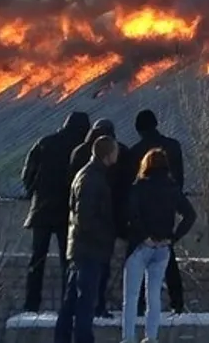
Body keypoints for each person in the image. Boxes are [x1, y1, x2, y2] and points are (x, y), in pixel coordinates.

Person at [120, 148, 197, 343]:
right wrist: (173, 237)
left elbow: (132, 214)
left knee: (131, 295)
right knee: (154, 295)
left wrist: (144, 236)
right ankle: (151, 337)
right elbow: (190, 215)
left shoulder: (139, 186)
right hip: (163, 247)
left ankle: (128, 337)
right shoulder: (172, 187)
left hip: (141, 245)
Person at [22, 110, 91, 311]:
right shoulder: (80, 150)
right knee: (67, 261)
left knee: (37, 260)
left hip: (41, 210)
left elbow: (27, 174)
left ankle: (31, 304)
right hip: (65, 214)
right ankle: (67, 304)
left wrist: (33, 192)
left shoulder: (45, 142)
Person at [54, 134, 119, 343]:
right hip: (88, 250)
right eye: (115, 151)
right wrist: (105, 237)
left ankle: (62, 338)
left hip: (81, 248)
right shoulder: (92, 179)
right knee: (85, 303)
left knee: (71, 301)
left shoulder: (90, 175)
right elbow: (86, 218)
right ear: (107, 154)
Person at [124, 109, 188, 312]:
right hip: (167, 213)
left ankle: (139, 307)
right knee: (169, 261)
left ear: (139, 129)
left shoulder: (135, 151)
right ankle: (177, 304)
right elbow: (181, 180)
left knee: (137, 262)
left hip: (143, 218)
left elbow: (129, 188)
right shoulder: (173, 147)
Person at [70, 118, 130, 316]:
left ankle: (85, 314)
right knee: (95, 276)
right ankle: (97, 308)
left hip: (80, 232)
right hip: (98, 230)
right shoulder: (95, 173)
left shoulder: (79, 154)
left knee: (76, 286)